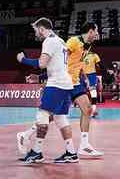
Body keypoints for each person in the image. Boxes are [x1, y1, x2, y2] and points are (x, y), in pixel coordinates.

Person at [17, 22, 103, 157]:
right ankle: (27, 135)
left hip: (75, 82)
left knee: (87, 109)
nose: (98, 34)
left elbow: (78, 63)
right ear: (90, 31)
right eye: (96, 31)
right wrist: (42, 77)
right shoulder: (73, 41)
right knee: (52, 115)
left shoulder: (88, 45)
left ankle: (84, 145)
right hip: (64, 81)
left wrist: (84, 78)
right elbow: (60, 61)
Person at [16, 17, 78, 163]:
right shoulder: (60, 41)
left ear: (42, 29)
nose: (35, 33)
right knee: (60, 118)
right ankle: (71, 153)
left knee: (42, 115)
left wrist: (23, 60)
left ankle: (36, 152)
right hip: (65, 83)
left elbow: (42, 63)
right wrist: (40, 78)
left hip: (56, 84)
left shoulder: (49, 41)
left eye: (36, 30)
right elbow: (56, 66)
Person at [83, 49, 106, 117]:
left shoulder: (93, 55)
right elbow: (101, 66)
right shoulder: (92, 55)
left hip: (89, 75)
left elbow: (100, 65)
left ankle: (93, 110)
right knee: (88, 93)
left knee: (92, 93)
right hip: (85, 75)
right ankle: (91, 110)